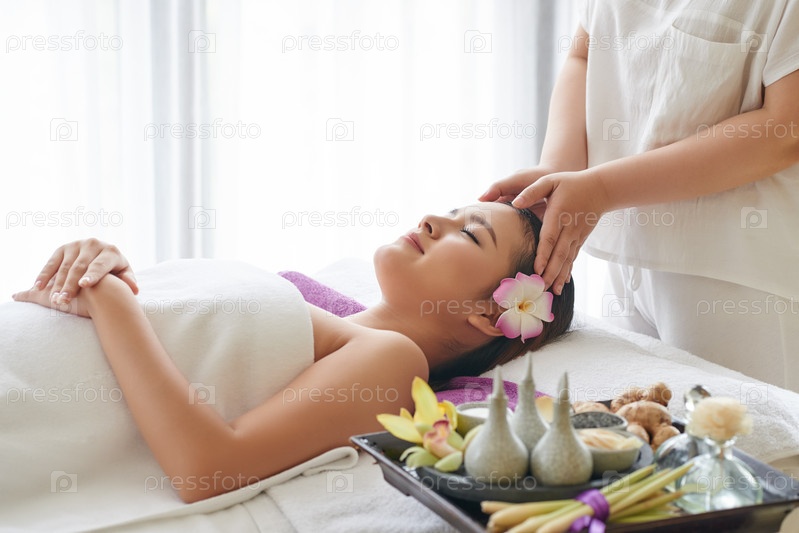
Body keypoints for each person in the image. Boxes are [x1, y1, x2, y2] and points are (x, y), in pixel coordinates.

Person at [9, 202, 574, 504]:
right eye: (453, 211)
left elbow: (208, 470)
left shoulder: (394, 361)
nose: (431, 218)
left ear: (489, 316)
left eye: (469, 234)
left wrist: (110, 298)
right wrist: (98, 265)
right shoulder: (314, 308)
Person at [481, 0, 799, 392]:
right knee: (633, 419)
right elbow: (584, 54)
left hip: (740, 279)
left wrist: (603, 188)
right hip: (627, 258)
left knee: (741, 427)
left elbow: (785, 130)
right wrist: (559, 169)